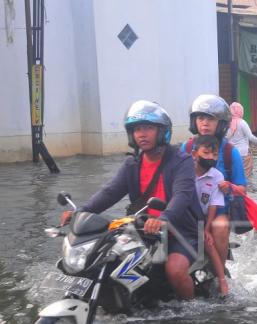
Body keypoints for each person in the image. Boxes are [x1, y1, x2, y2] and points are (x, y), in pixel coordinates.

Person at [61, 101, 201, 301]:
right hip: (142, 230)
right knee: (103, 258)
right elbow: (110, 192)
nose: (141, 134)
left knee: (175, 270)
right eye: (136, 129)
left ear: (162, 131)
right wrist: (80, 212)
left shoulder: (182, 161)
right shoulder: (132, 163)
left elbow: (182, 195)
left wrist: (164, 218)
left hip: (180, 231)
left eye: (148, 128)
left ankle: (191, 310)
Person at [180, 95, 247, 267]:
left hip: (218, 211)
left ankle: (220, 271)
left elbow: (242, 188)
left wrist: (229, 188)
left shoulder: (230, 152)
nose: (204, 123)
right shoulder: (186, 148)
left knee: (219, 227)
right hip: (188, 210)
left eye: (211, 119)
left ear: (222, 123)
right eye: (200, 118)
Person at [191, 134, 229, 298]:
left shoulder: (217, 176)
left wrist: (207, 229)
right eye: (206, 153)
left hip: (204, 219)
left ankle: (221, 279)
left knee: (207, 241)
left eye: (214, 154)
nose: (210, 158)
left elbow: (213, 205)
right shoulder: (185, 171)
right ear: (194, 154)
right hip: (185, 217)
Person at [225, 102, 257, 178]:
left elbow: (225, 138)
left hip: (231, 153)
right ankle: (246, 190)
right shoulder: (242, 123)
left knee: (234, 175)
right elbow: (251, 137)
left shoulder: (227, 123)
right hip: (243, 154)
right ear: (240, 111)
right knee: (246, 175)